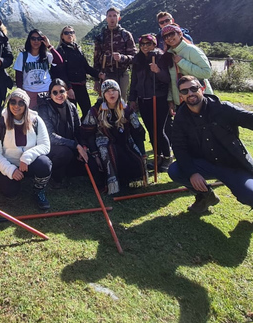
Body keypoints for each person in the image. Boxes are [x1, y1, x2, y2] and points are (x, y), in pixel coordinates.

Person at [167, 76, 253, 228]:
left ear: (202, 89)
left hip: (232, 165)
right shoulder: (180, 118)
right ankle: (205, 195)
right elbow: (179, 147)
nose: (190, 93)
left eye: (194, 88)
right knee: (175, 170)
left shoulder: (223, 108)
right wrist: (192, 173)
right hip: (205, 164)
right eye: (185, 91)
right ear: (181, 96)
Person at [0, 89, 53, 210]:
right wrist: (10, 170)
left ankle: (39, 190)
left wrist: (27, 157)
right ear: (8, 103)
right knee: (9, 193)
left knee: (45, 164)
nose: (16, 106)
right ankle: (15, 179)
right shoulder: (0, 123)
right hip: (10, 163)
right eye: (13, 102)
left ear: (26, 106)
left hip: (30, 162)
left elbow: (45, 145)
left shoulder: (36, 120)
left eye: (21, 103)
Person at [81, 79, 146, 195]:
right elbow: (87, 133)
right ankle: (113, 186)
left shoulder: (126, 110)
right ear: (103, 94)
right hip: (103, 141)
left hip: (125, 140)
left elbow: (138, 131)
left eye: (114, 90)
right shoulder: (95, 111)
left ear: (119, 92)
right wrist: (95, 154)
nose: (111, 94)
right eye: (108, 91)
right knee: (109, 156)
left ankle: (129, 181)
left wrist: (143, 152)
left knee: (135, 156)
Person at [129, 34, 173, 172]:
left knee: (159, 130)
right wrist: (132, 99)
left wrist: (158, 70)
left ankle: (167, 157)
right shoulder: (138, 60)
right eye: (142, 44)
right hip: (143, 99)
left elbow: (167, 79)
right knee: (150, 130)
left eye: (148, 44)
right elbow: (134, 81)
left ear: (154, 44)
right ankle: (157, 156)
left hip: (158, 98)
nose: (145, 47)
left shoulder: (161, 57)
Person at [36, 79, 89, 188]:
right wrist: (75, 145)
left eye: (61, 91)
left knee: (87, 160)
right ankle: (52, 176)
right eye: (55, 92)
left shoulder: (72, 107)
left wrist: (82, 146)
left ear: (66, 93)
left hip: (69, 144)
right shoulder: (44, 108)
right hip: (50, 147)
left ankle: (66, 171)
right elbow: (50, 136)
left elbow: (78, 130)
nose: (59, 95)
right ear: (50, 94)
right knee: (65, 154)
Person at [161, 24, 213, 117]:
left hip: (199, 99)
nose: (169, 38)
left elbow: (206, 72)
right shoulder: (169, 55)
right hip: (182, 102)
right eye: (165, 36)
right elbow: (171, 80)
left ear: (180, 34)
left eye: (172, 34)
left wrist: (182, 62)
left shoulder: (191, 50)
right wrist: (171, 100)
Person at [56, 25, 100, 118]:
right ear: (62, 36)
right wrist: (69, 88)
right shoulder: (60, 51)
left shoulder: (78, 49)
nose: (69, 35)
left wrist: (99, 74)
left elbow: (86, 67)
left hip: (81, 85)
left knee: (88, 111)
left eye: (72, 32)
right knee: (71, 114)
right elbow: (61, 72)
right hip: (70, 87)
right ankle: (73, 132)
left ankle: (85, 131)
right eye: (66, 33)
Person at [93, 7, 136, 101]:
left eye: (114, 16)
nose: (112, 18)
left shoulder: (126, 35)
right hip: (105, 74)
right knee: (105, 101)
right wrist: (96, 79)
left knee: (121, 101)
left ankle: (122, 116)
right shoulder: (101, 36)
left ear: (119, 18)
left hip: (122, 74)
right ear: (106, 18)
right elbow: (96, 59)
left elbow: (134, 56)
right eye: (109, 16)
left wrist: (122, 58)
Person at [14, 29, 64, 109]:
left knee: (47, 117)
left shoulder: (46, 55)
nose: (36, 41)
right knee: (30, 117)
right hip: (29, 92)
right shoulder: (23, 56)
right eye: (33, 38)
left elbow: (59, 61)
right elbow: (18, 76)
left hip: (46, 91)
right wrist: (21, 92)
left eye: (39, 39)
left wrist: (49, 46)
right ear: (29, 40)